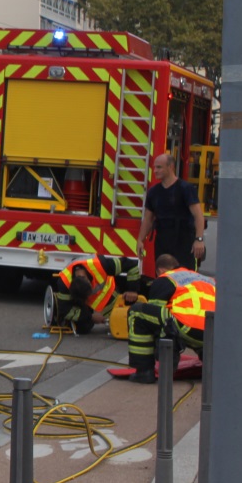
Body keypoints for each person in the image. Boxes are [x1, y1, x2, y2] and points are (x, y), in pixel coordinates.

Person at [125, 254, 215, 384]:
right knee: (186, 320)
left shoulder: (166, 278)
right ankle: (210, 361)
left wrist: (163, 345)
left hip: (187, 327)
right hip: (214, 333)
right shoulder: (207, 279)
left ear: (160, 270)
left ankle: (144, 371)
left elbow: (153, 318)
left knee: (137, 312)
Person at [138, 152, 207, 270]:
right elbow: (148, 220)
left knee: (184, 275)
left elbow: (198, 216)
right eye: (154, 167)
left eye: (159, 167)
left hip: (184, 241)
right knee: (163, 275)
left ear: (170, 167)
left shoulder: (186, 189)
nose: (155, 171)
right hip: (163, 241)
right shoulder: (153, 192)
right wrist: (140, 240)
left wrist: (199, 239)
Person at [50, 254, 141, 335]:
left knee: (122, 320)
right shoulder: (64, 282)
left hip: (109, 293)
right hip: (81, 303)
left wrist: (132, 290)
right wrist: (90, 317)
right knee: (82, 328)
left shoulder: (102, 265)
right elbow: (65, 310)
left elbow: (132, 265)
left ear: (88, 281)